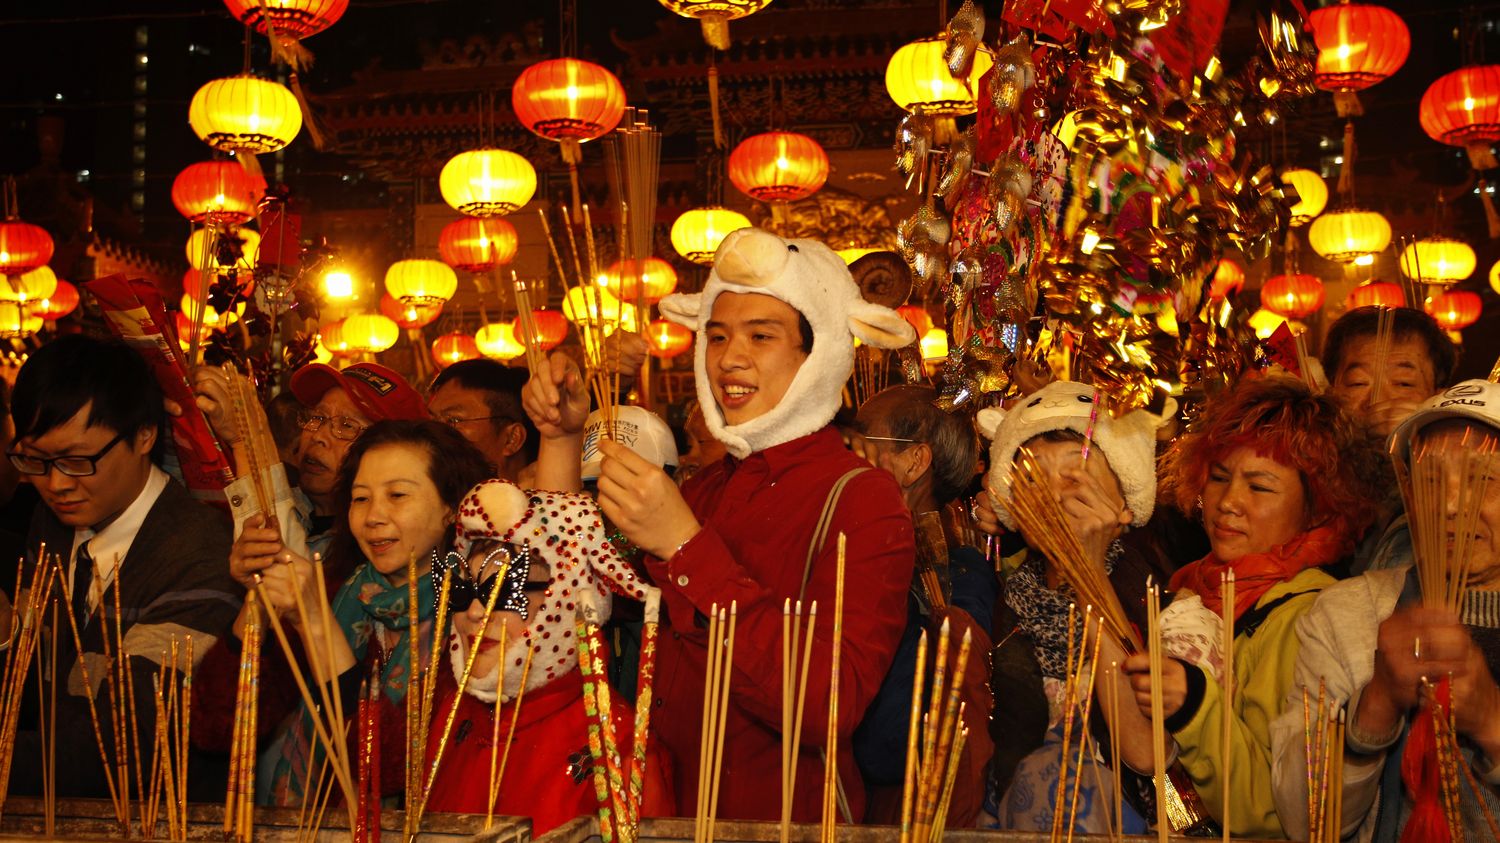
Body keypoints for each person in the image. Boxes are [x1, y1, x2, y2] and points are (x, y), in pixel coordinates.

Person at [524, 227, 918, 821]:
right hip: (662, 809)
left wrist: (685, 547)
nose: (729, 358)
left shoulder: (863, 499)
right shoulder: (706, 488)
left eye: (762, 336)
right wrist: (560, 439)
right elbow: (570, 597)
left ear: (821, 354)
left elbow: (825, 705)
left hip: (780, 820)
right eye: (716, 335)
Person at [1106, 374, 1384, 838]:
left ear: (1317, 508)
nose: (1228, 502)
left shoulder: (1309, 618)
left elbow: (1275, 814)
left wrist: (1194, 704)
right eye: (1218, 478)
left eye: (1259, 487)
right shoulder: (1192, 588)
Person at [5, 334, 239, 798]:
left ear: (144, 436)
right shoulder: (49, 524)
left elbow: (128, 745)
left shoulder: (200, 555)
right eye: (35, 460)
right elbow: (30, 687)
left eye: (76, 460)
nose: (55, 484)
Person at [1271, 379, 1500, 840]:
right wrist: (1374, 706)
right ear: (1409, 500)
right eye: (1431, 483)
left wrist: (1491, 721)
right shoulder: (1348, 613)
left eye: (1484, 480)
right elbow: (1303, 821)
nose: (1451, 505)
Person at [250, 420, 493, 805]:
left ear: (451, 508)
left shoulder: (474, 615)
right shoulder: (341, 590)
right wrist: (251, 614)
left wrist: (317, 624)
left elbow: (389, 767)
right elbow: (218, 730)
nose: (373, 516)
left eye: (397, 495)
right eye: (361, 498)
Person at [972, 380, 1175, 833]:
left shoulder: (1163, 605)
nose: (1053, 490)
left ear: (1125, 497)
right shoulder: (1006, 597)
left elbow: (1144, 752)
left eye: (1075, 467)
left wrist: (1089, 570)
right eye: (1032, 471)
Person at [421, 477, 676, 833]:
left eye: (505, 590)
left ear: (567, 599)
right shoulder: (452, 714)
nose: (477, 611)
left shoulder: (616, 747)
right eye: (464, 590)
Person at [848, 384, 995, 827]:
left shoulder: (955, 573)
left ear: (914, 462)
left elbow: (892, 743)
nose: (843, 459)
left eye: (859, 443)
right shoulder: (862, 548)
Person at [1323, 305, 1458, 439]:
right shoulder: (1312, 456)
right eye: (1358, 383)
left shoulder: (1460, 450)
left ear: (1439, 397)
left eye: (1403, 383)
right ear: (1329, 392)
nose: (1378, 402)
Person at [428, 358, 537, 482]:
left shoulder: (550, 498)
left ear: (512, 439)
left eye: (453, 420)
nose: (433, 432)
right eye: (432, 420)